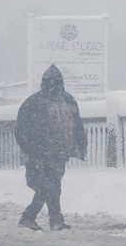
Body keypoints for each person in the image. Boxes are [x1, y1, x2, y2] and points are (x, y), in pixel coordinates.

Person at [14, 64, 87, 231]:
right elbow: (21, 130)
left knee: (54, 185)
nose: (52, 87)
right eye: (48, 83)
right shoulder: (33, 103)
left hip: (59, 152)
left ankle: (54, 219)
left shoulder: (67, 100)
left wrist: (79, 144)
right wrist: (31, 150)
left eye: (54, 83)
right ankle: (32, 217)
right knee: (45, 186)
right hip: (39, 153)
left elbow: (77, 124)